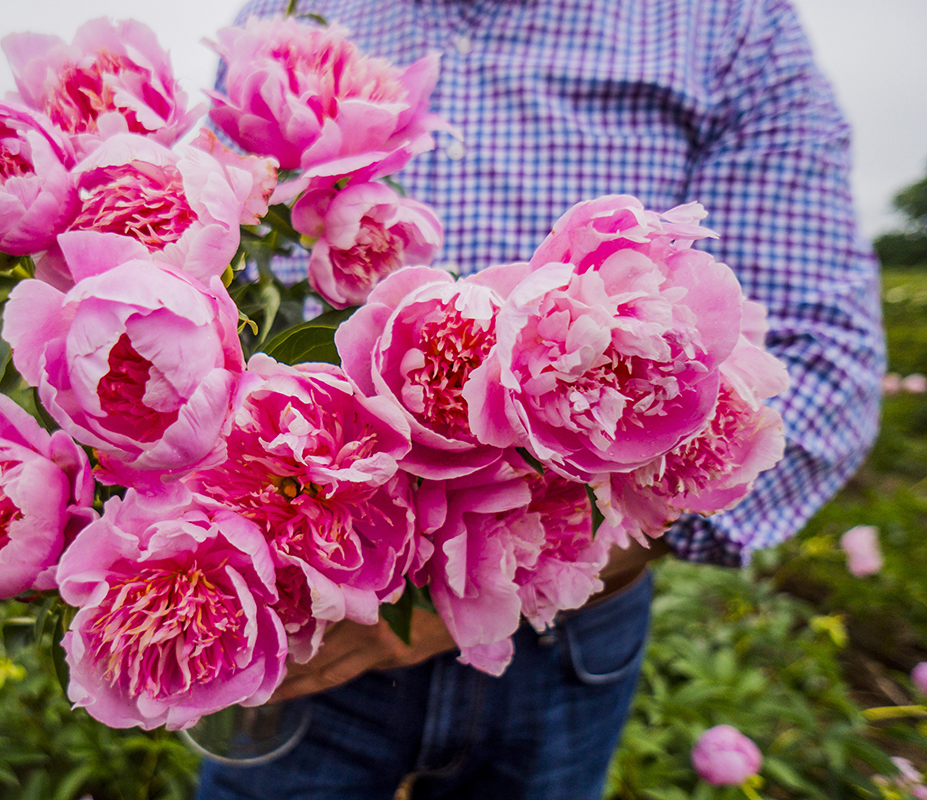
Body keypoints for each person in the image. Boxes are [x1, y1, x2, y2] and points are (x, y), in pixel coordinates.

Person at [197, 0, 885, 797]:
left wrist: (429, 610)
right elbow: (216, 246)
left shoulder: (727, 21)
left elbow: (827, 367)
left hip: (562, 626)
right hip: (301, 598)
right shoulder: (285, 22)